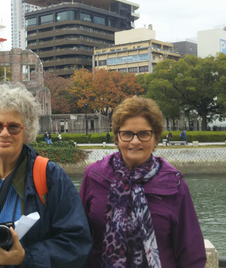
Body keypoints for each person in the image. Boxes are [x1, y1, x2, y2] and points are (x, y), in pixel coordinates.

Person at [0, 84, 91, 267]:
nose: (4, 133)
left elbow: (77, 242)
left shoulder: (49, 176)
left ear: (25, 131)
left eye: (13, 127)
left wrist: (25, 258)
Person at [80, 96, 206, 267]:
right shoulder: (95, 175)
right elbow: (79, 237)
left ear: (155, 138)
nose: (135, 141)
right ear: (117, 137)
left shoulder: (174, 183)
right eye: (127, 134)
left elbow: (191, 253)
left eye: (144, 134)